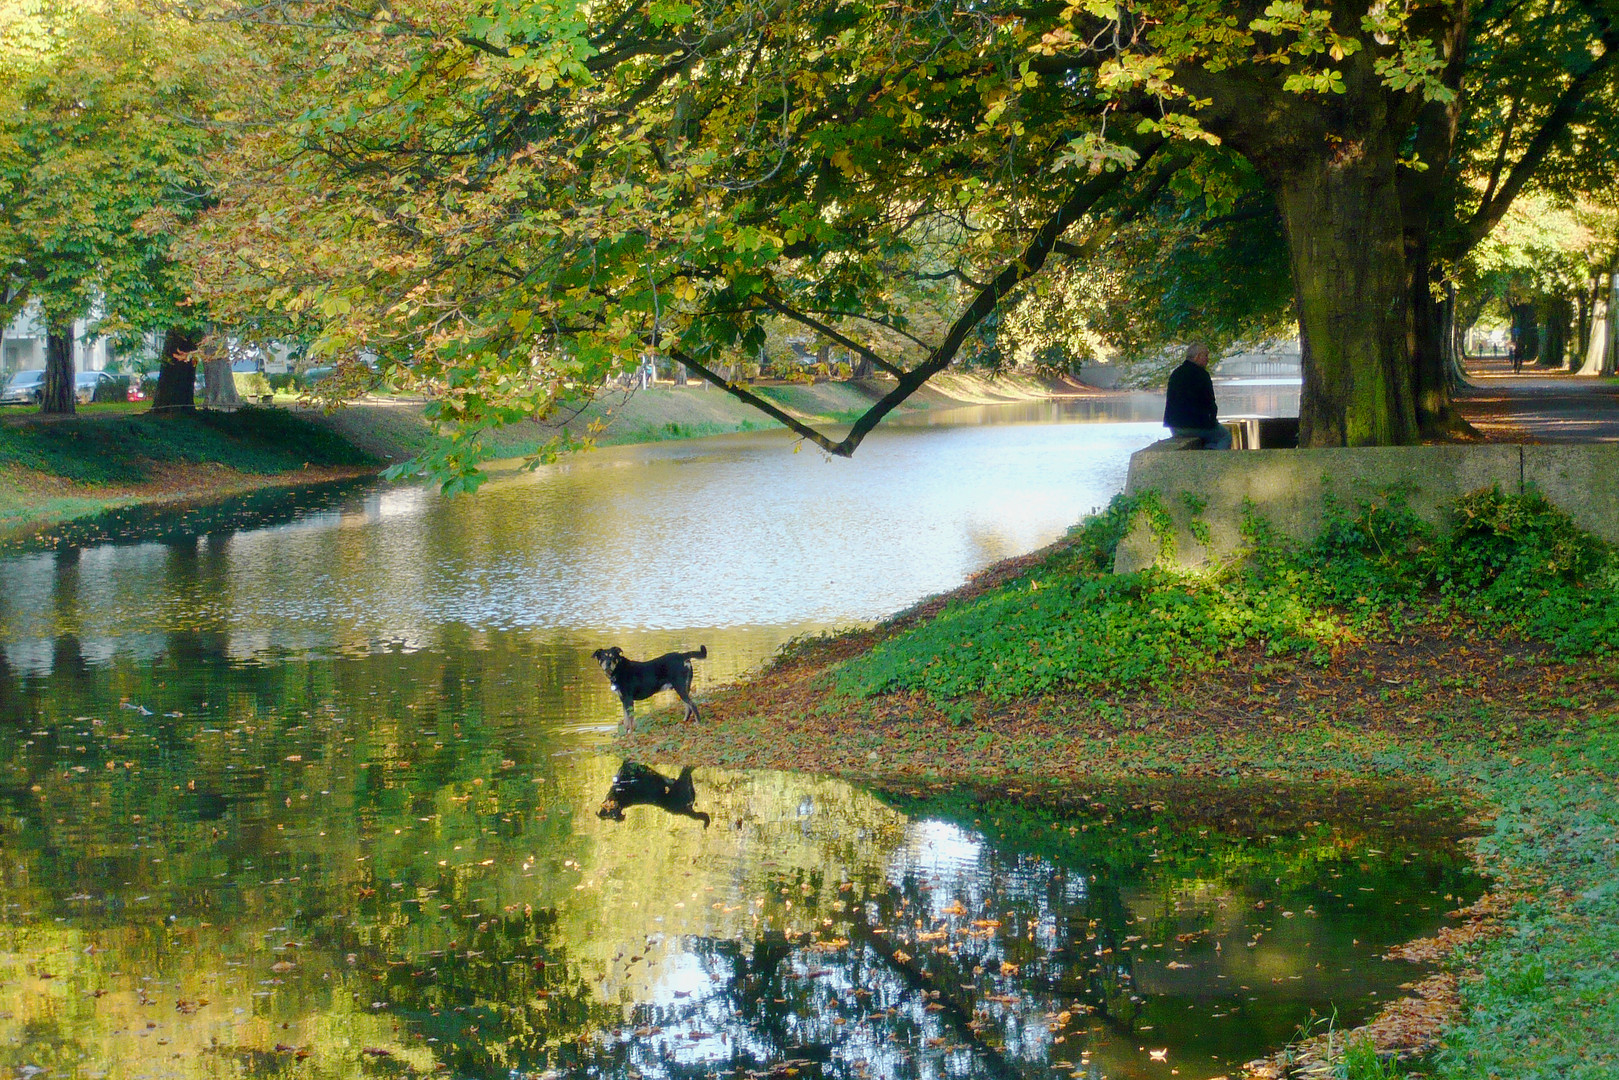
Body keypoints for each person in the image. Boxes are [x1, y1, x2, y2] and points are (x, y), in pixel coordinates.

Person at [1163, 342, 1231, 449]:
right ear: (1197, 356)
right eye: (1206, 355)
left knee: (1209, 441)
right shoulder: (1201, 375)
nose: (1208, 359)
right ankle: (1217, 463)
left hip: (1175, 426)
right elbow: (1210, 403)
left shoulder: (1176, 373)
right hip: (1195, 425)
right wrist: (1213, 421)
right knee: (1225, 437)